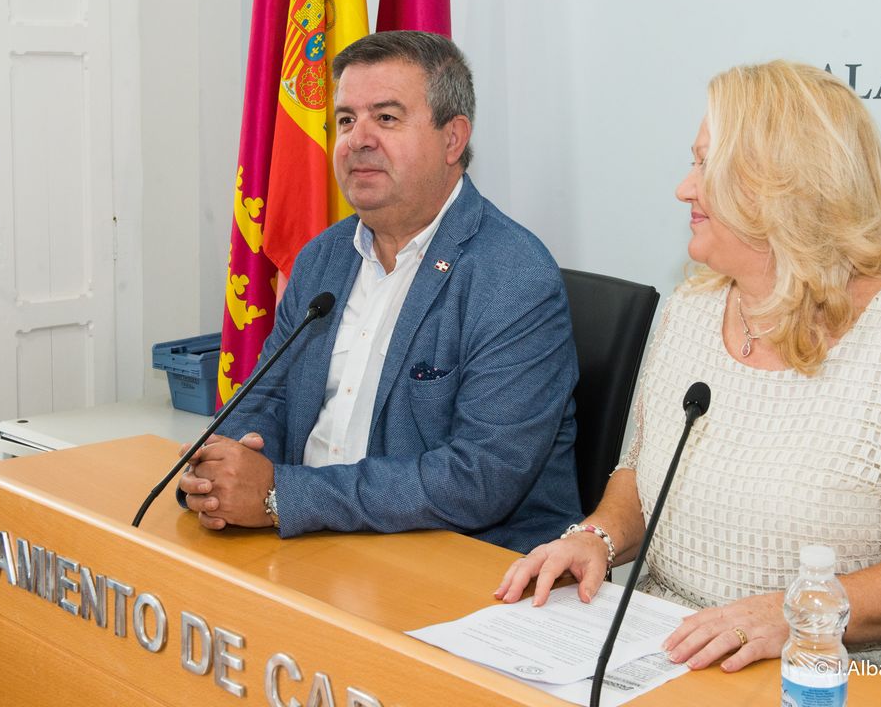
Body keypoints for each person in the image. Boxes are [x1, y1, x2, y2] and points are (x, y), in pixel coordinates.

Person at [495, 61, 881, 697]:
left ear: (779, 186)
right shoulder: (692, 309)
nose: (683, 189)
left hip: (847, 677)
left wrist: (795, 612)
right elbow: (642, 470)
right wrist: (597, 538)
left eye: (705, 165)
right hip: (675, 655)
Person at [177, 31, 580, 553]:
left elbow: (480, 478)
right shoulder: (322, 258)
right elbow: (267, 398)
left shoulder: (514, 277)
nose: (357, 140)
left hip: (458, 564)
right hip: (314, 543)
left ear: (453, 139)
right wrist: (219, 471)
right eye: (346, 120)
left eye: (386, 118)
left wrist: (283, 495)